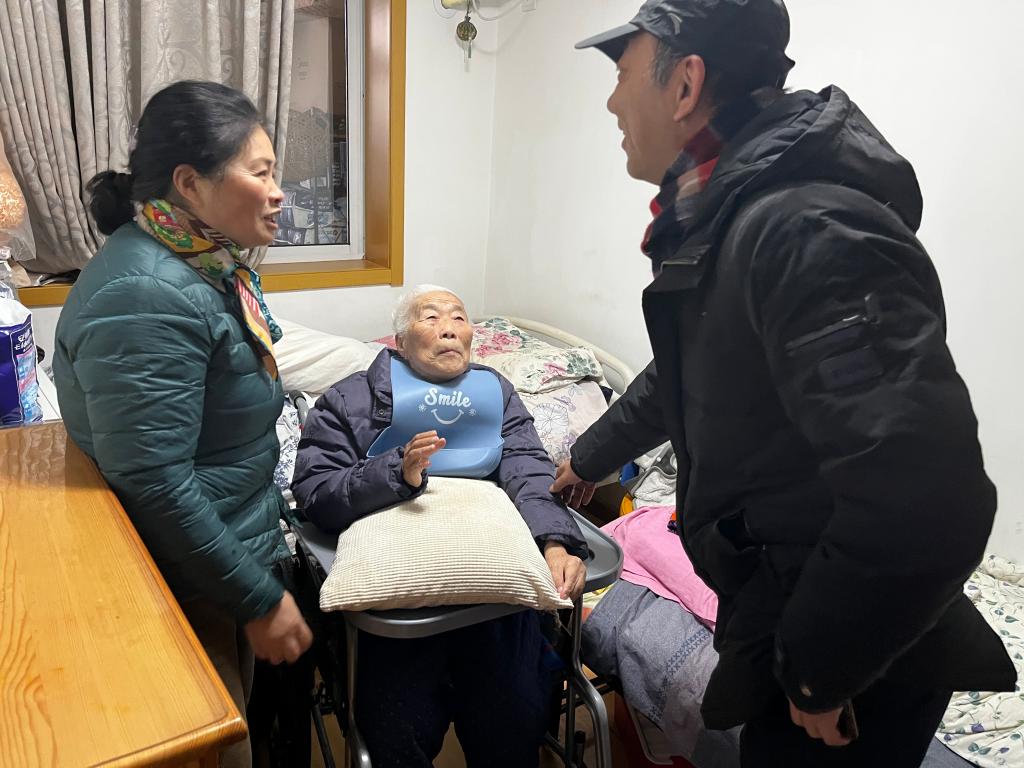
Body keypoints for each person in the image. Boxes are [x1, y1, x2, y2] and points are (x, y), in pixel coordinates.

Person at [553, 1, 1017, 765]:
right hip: (792, 608)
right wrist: (589, 457)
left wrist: (817, 671)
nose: (610, 102)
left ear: (685, 84)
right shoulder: (730, 220)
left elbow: (929, 499)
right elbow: (683, 373)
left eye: (624, 74)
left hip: (861, 653)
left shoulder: (806, 231)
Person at [54, 80, 313, 768]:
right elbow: (155, 481)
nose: (278, 193)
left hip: (216, 556)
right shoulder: (146, 291)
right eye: (261, 173)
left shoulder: (199, 263)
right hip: (186, 581)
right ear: (190, 184)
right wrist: (259, 599)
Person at [291, 284, 587, 768]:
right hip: (396, 614)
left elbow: (529, 469)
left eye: (459, 317)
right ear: (400, 342)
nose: (449, 328)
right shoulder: (349, 399)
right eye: (430, 317)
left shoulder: (495, 392)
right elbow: (316, 489)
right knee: (396, 738)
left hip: (494, 599)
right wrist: (395, 472)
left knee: (515, 725)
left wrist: (555, 541)